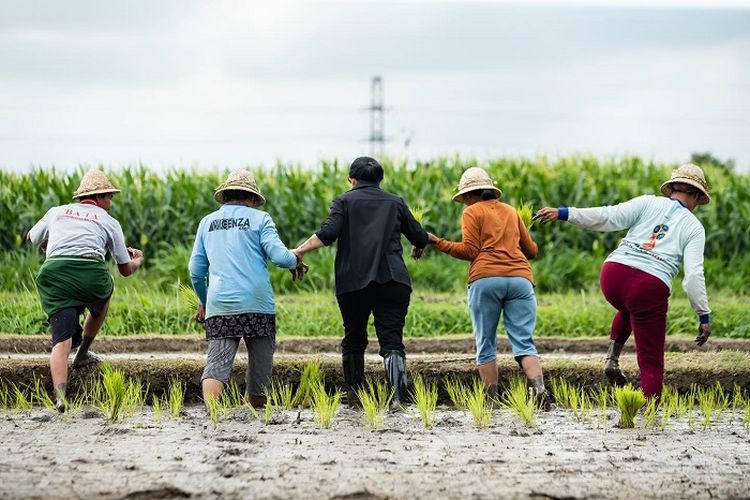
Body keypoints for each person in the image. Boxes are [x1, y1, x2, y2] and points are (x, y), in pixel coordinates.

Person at [534, 163, 712, 399]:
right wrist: (703, 314)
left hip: (613, 275)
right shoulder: (694, 228)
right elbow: (693, 277)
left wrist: (564, 213)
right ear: (698, 196)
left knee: (631, 307)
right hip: (649, 287)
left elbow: (607, 216)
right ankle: (649, 413)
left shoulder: (648, 202)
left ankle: (612, 358)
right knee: (651, 358)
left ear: (672, 188)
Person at [293, 157, 428, 409]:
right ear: (380, 180)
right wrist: (420, 245)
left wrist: (299, 251)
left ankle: (355, 398)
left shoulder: (344, 201)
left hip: (353, 282)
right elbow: (418, 235)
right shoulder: (396, 202)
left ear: (351, 180)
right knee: (392, 340)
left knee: (354, 338)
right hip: (393, 280)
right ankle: (398, 398)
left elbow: (328, 233)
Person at [427, 167, 550, 407]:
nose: (464, 204)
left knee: (486, 342)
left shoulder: (472, 213)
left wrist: (437, 242)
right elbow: (532, 251)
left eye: (464, 199)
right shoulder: (511, 211)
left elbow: (470, 251)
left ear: (470, 195)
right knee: (524, 341)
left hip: (486, 279)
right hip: (520, 280)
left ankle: (491, 400)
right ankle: (539, 390)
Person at [27, 170, 145, 412]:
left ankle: (60, 397)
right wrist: (139, 260)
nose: (110, 204)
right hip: (91, 277)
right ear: (99, 197)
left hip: (54, 275)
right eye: (109, 198)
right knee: (106, 288)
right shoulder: (109, 221)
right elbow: (124, 269)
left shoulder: (57, 212)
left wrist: (49, 246)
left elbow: (32, 237)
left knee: (60, 341)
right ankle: (82, 353)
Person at [189, 170, 303, 408]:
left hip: (220, 305)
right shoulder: (261, 219)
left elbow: (196, 271)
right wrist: (296, 260)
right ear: (252, 199)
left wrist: (205, 301)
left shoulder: (207, 222)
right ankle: (254, 412)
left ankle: (212, 415)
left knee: (217, 363)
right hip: (257, 305)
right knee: (260, 368)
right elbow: (280, 258)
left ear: (226, 195)